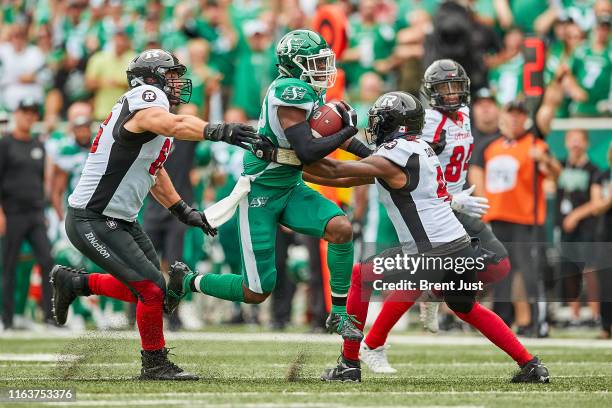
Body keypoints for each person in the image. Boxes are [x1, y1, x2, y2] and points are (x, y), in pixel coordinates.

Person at [303, 91, 549, 384]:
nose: (375, 127)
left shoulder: (394, 156)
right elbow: (356, 169)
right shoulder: (415, 148)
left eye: (380, 121)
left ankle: (349, 363)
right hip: (458, 246)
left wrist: (287, 159)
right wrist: (340, 144)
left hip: (431, 251)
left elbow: (335, 171)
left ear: (395, 125)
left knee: (360, 276)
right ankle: (530, 364)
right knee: (465, 307)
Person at [49, 48, 259, 380]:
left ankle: (75, 282)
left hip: (117, 218)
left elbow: (154, 172)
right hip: (93, 217)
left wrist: (183, 210)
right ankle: (154, 363)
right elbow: (171, 123)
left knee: (153, 288)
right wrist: (218, 130)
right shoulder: (145, 99)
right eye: (171, 75)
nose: (177, 82)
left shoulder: (154, 113)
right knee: (151, 290)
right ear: (151, 79)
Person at [166, 29, 370, 342]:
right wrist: (346, 133)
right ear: (295, 64)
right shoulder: (289, 91)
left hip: (290, 186)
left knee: (340, 228)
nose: (323, 68)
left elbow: (328, 133)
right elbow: (307, 149)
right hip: (260, 193)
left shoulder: (309, 90)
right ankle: (187, 280)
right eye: (315, 62)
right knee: (256, 290)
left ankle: (339, 315)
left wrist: (372, 154)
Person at [354, 60, 511, 374]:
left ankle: (436, 292)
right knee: (418, 269)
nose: (451, 94)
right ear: (430, 92)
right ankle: (372, 343)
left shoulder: (466, 116)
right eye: (444, 88)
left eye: (456, 87)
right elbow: (396, 162)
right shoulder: (427, 121)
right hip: (432, 204)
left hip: (454, 204)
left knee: (499, 266)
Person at [0, 98, 55, 330]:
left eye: (33, 113)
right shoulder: (5, 144)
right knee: (8, 265)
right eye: (25, 112)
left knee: (47, 262)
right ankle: (7, 319)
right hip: (11, 212)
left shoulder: (38, 144)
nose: (29, 117)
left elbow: (40, 180)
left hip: (34, 212)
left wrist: (42, 209)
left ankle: (50, 318)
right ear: (17, 113)